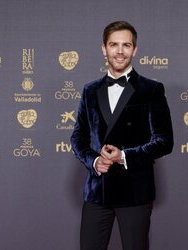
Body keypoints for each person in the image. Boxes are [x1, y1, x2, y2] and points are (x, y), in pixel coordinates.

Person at [70, 21, 173, 250]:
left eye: (126, 45)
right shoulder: (90, 90)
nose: (119, 51)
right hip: (98, 192)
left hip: (135, 192)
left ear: (134, 50)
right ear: (103, 48)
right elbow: (78, 137)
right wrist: (94, 160)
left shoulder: (152, 89)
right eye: (113, 45)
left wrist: (124, 156)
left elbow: (164, 141)